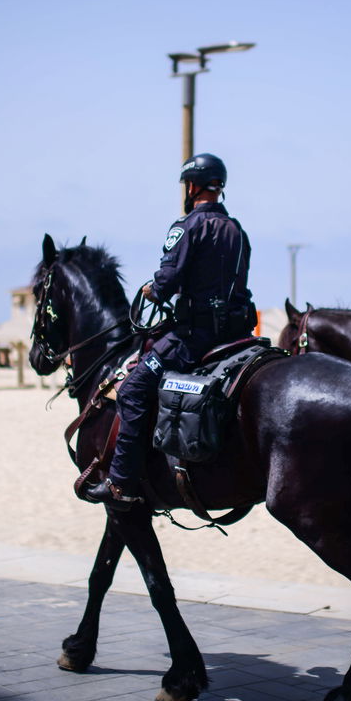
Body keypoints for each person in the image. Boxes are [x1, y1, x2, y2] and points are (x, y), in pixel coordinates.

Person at [86, 153, 255, 509]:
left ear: (192, 187)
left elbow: (168, 279)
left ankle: (121, 484)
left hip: (194, 337)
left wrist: (152, 290)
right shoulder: (237, 231)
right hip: (236, 335)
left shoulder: (187, 226)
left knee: (133, 390)